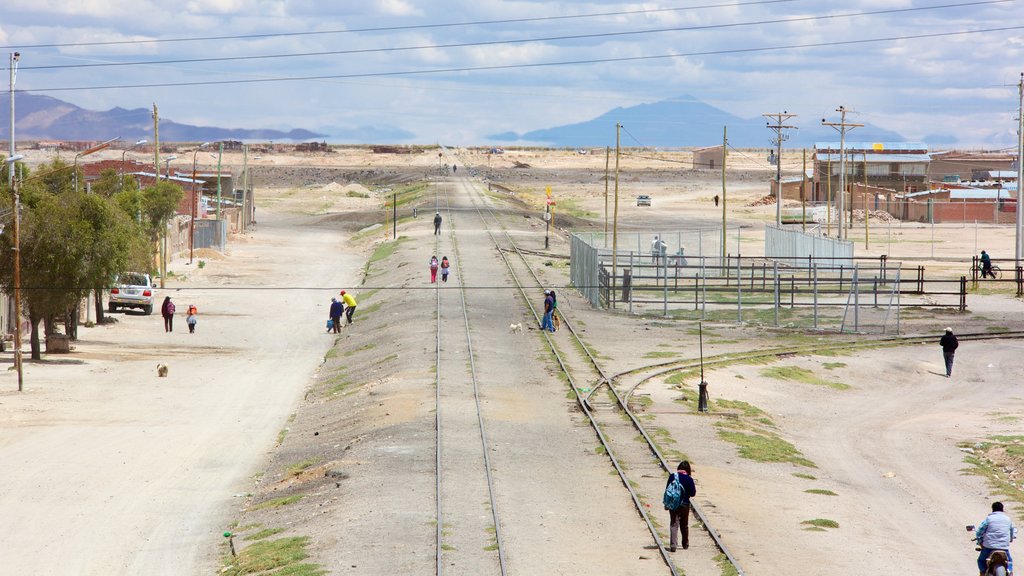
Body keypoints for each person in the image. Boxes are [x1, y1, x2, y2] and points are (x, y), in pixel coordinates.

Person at [665, 461, 697, 552]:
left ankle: (673, 545)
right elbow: (693, 493)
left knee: (674, 524)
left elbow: (667, 489)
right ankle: (685, 544)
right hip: (685, 505)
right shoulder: (689, 479)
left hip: (674, 504)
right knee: (684, 524)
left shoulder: (672, 476)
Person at [976, 501, 1016, 576]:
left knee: (981, 560)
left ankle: (983, 572)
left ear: (992, 509)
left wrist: (979, 541)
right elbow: (1012, 532)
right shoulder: (1008, 519)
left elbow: (979, 531)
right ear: (1002, 509)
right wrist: (1010, 539)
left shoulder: (989, 519)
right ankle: (1010, 572)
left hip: (988, 546)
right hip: (1003, 547)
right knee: (1009, 561)